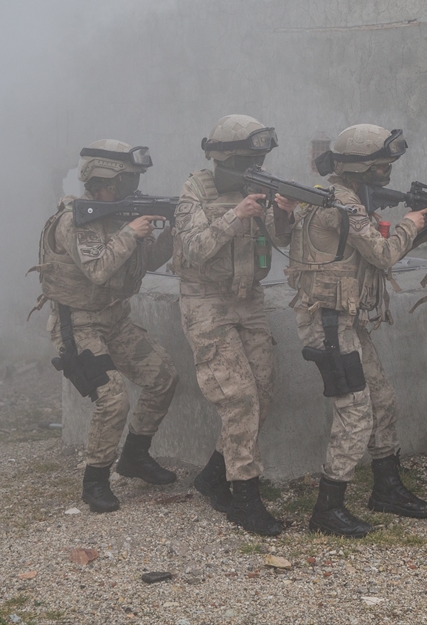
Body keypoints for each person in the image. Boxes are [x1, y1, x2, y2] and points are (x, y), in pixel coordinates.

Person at [286, 124, 427, 537]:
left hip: (346, 321)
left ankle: (386, 489)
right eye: (381, 165)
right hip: (328, 325)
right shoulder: (340, 206)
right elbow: (384, 255)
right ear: (360, 166)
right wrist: (413, 223)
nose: (386, 171)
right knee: (355, 414)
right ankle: (327, 509)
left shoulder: (347, 199)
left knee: (383, 402)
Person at [32, 140, 179, 513]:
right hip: (78, 325)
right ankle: (95, 480)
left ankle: (135, 456)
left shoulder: (118, 216)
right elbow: (98, 269)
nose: (133, 185)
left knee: (163, 377)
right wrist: (132, 231)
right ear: (104, 180)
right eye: (127, 178)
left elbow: (146, 262)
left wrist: (173, 231)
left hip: (115, 320)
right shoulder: (76, 220)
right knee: (113, 400)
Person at [173, 115, 296, 536]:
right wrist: (235, 215)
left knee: (262, 394)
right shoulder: (195, 190)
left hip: (250, 301)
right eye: (248, 160)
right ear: (224, 159)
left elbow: (283, 244)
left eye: (259, 160)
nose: (255, 167)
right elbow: (193, 248)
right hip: (207, 304)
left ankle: (212, 475)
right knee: (239, 398)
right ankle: (246, 498)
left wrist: (284, 215)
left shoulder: (256, 187)